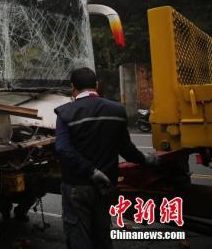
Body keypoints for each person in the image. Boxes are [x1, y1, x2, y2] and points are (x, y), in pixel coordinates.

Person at [54, 67, 158, 249]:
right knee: (102, 234)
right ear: (96, 85)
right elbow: (126, 149)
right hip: (106, 186)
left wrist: (91, 171)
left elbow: (63, 149)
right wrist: (146, 160)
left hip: (77, 186)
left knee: (79, 236)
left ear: (73, 88)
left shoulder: (65, 113)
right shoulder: (117, 110)